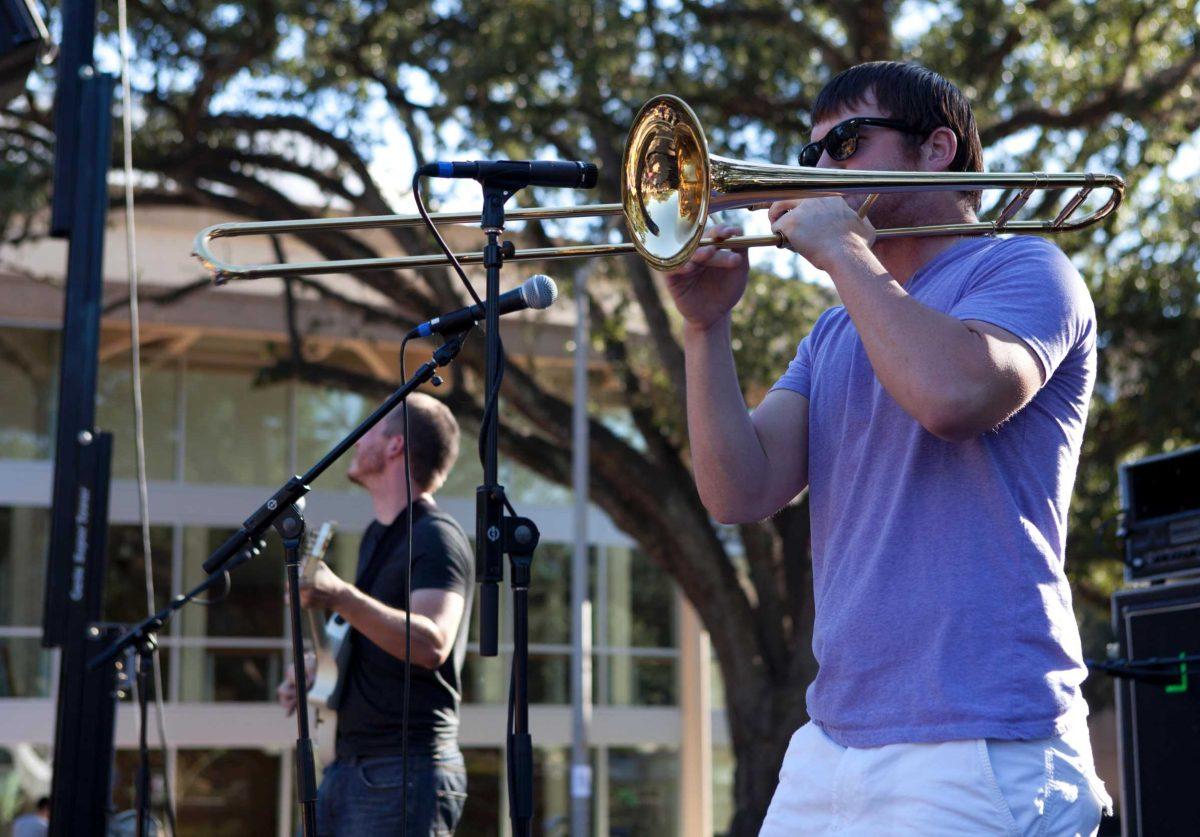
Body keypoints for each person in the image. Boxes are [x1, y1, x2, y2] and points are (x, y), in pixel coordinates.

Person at [664, 61, 1113, 835]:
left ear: (937, 149)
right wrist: (706, 329)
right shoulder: (835, 330)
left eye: (845, 142)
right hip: (832, 741)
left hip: (980, 741)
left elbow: (956, 396)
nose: (816, 172)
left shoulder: (1030, 267)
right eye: (812, 158)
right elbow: (739, 492)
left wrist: (846, 254)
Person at [277, 392, 473, 836]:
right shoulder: (378, 536)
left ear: (394, 445)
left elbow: (431, 644)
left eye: (368, 428)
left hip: (402, 771)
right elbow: (374, 639)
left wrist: (340, 594)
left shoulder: (437, 537)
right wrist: (317, 669)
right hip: (357, 769)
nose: (355, 438)